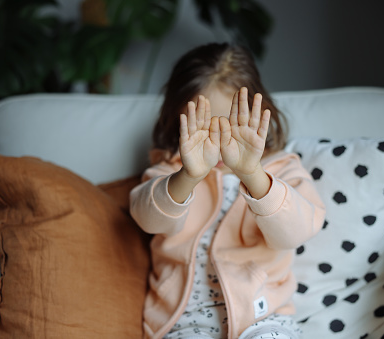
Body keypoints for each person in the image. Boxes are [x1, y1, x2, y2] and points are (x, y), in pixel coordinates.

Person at [130, 43, 326, 339]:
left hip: (263, 317)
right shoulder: (169, 171)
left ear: (261, 116)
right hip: (185, 320)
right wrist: (189, 174)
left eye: (232, 127)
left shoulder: (281, 168)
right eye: (205, 129)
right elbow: (149, 219)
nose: (220, 142)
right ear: (178, 123)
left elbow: (295, 232)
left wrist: (252, 173)